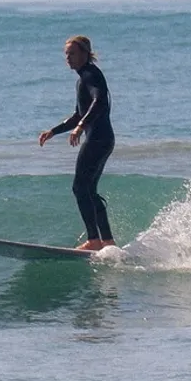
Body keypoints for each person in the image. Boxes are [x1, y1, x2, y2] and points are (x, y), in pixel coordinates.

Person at [38, 35, 116, 251]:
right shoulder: (84, 78)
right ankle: (107, 241)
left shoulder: (90, 75)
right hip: (104, 139)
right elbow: (78, 114)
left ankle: (93, 240)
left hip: (97, 139)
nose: (68, 58)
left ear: (84, 53)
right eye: (66, 54)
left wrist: (81, 126)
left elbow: (99, 101)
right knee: (89, 189)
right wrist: (54, 131)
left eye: (72, 53)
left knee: (80, 187)